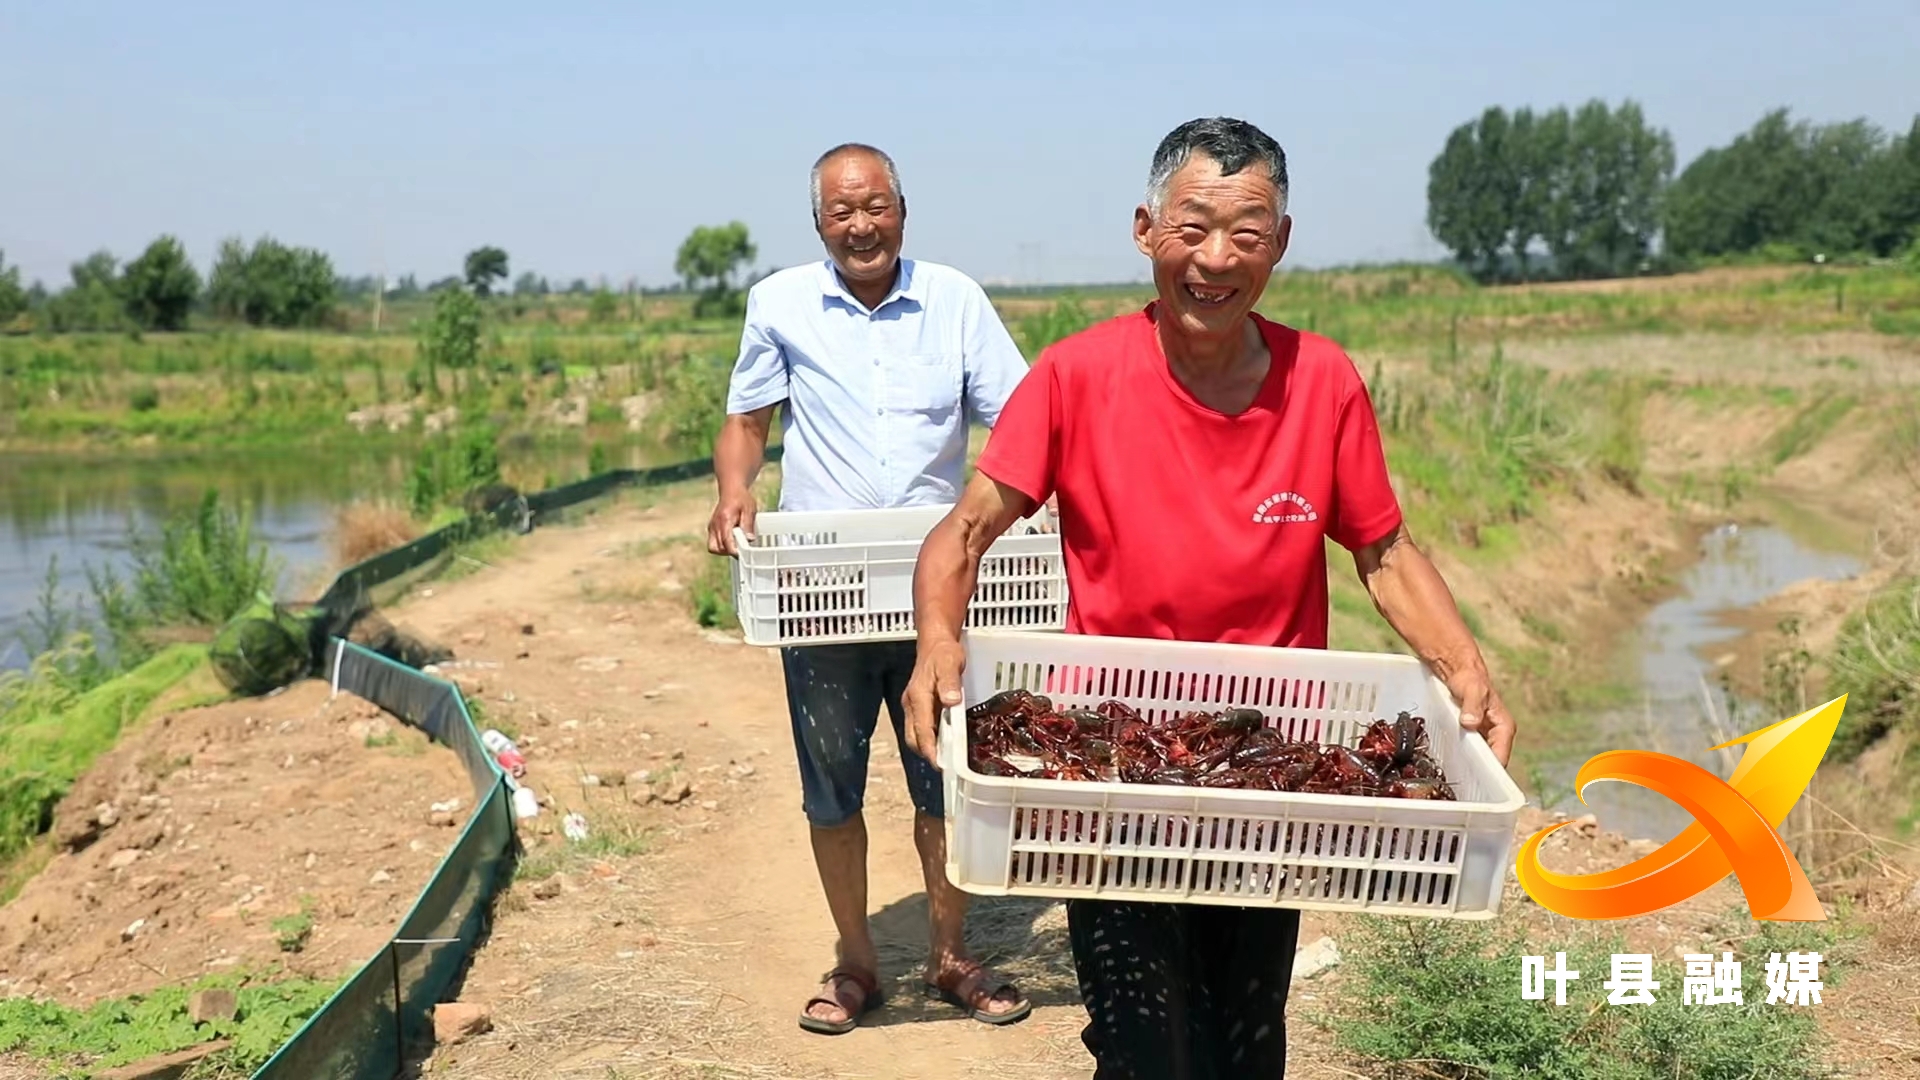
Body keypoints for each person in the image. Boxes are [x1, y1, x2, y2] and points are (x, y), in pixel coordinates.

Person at [902, 117, 1518, 1078]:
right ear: (1146, 229)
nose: (1217, 258)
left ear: (1281, 239)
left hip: (1267, 777)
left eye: (1249, 231)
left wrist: (1467, 670)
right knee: (1145, 1046)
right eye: (1193, 227)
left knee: (1244, 1039)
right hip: (1108, 773)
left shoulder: (1325, 382)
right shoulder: (1076, 375)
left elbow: (1385, 553)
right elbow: (966, 529)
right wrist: (937, 636)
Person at [705, 142, 1036, 1036]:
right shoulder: (778, 303)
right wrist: (734, 487)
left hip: (942, 588)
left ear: (903, 209)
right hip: (825, 587)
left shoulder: (956, 301)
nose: (862, 225)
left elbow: (1017, 418)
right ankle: (856, 962)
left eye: (876, 206)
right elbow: (747, 419)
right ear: (820, 224)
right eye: (842, 211)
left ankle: (951, 955)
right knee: (832, 787)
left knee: (949, 780)